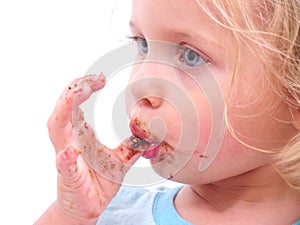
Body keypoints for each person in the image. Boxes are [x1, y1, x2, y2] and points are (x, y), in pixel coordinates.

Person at [35, 0, 300, 224]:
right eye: (143, 44)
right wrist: (70, 215)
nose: (140, 84)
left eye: (190, 56)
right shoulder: (109, 213)